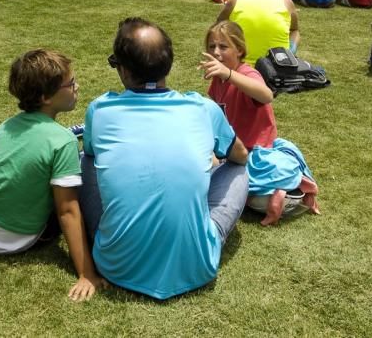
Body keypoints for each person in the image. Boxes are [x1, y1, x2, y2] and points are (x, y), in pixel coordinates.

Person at [79, 17, 248, 300]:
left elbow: (93, 157)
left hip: (116, 265)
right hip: (197, 265)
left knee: (86, 157)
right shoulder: (203, 108)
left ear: (122, 69)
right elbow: (240, 155)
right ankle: (196, 230)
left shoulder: (100, 109)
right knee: (240, 169)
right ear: (167, 64)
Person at [0, 49, 104, 301]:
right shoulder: (62, 141)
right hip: (15, 239)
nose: (77, 86)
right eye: (71, 83)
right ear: (46, 97)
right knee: (80, 173)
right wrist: (86, 273)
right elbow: (67, 211)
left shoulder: (5, 126)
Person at [201, 21, 319, 226]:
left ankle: (284, 194)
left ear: (239, 50)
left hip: (257, 152)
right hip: (235, 151)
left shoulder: (247, 74)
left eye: (223, 46)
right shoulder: (217, 79)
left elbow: (266, 95)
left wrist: (229, 74)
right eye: (212, 46)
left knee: (240, 191)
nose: (216, 52)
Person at [217, 0, 299, 65]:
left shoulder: (234, 1)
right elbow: (295, 30)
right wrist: (290, 52)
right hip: (278, 68)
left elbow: (218, 27)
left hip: (241, 68)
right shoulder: (287, 2)